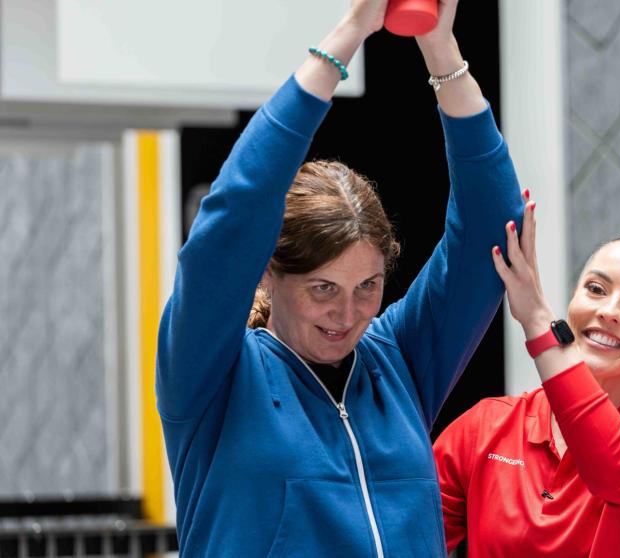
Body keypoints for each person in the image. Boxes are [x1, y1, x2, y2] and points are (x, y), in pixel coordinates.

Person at [155, 0, 523, 555]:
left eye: (367, 287)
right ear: (266, 275)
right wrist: (349, 34)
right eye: (323, 289)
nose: (348, 315)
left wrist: (441, 47)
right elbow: (233, 216)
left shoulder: (396, 360)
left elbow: (494, 236)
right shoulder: (214, 375)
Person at [433, 203, 620, 557]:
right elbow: (397, 532)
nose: (609, 311)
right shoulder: (485, 427)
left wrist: (539, 324)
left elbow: (616, 469)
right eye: (596, 289)